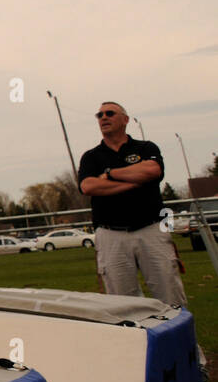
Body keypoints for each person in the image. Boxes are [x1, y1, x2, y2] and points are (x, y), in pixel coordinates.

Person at [77, 101, 186, 306]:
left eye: (109, 113)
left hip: (152, 228)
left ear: (125, 120)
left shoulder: (146, 147)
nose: (103, 118)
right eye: (99, 115)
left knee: (169, 294)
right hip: (111, 234)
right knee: (122, 302)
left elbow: (152, 171)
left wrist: (110, 174)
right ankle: (135, 338)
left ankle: (181, 339)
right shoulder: (91, 157)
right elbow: (89, 187)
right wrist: (133, 182)